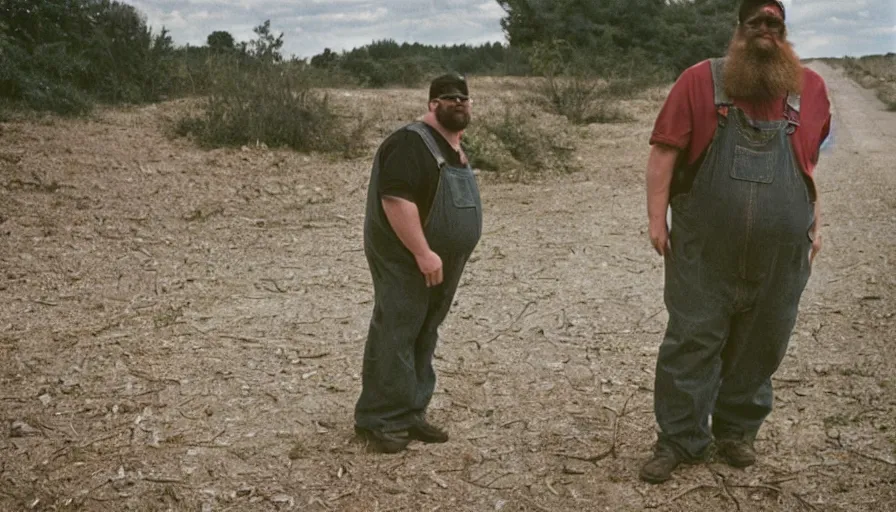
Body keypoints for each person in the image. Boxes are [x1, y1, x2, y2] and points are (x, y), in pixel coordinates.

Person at [641, 0, 832, 483]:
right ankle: (680, 439)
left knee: (761, 343)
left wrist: (816, 223)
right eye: (756, 23)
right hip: (705, 251)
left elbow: (807, 163)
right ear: (738, 30)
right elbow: (664, 152)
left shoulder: (810, 88)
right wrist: (656, 219)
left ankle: (736, 433)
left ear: (785, 32)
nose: (766, 31)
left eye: (775, 24)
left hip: (780, 255)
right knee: (692, 340)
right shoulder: (700, 81)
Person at [354, 74, 482, 453]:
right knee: (397, 329)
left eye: (464, 97)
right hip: (405, 257)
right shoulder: (410, 142)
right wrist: (423, 253)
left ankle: (410, 412)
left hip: (439, 259)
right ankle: (379, 421)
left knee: (424, 330)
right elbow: (396, 200)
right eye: (449, 97)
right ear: (432, 105)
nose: (459, 102)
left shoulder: (453, 147)